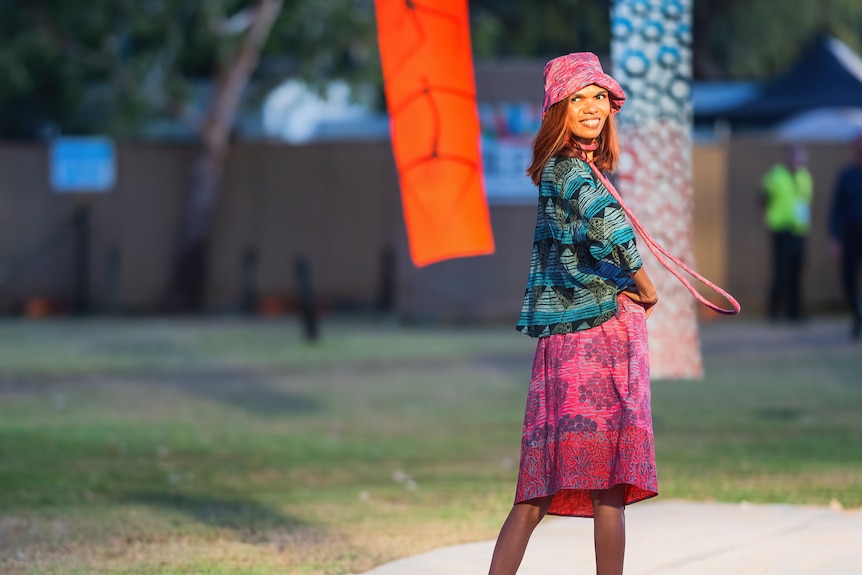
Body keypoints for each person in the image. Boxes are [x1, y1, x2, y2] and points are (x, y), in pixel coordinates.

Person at [488, 52, 659, 575]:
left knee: (570, 484)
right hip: (593, 338)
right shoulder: (566, 167)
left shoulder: (571, 168)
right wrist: (646, 286)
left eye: (599, 97)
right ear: (558, 109)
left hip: (578, 337)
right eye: (578, 98)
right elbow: (613, 226)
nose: (591, 107)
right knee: (575, 484)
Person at [761, 144, 813, 321]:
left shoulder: (805, 177)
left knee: (796, 272)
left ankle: (795, 312)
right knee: (781, 273)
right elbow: (762, 198)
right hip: (781, 230)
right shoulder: (776, 176)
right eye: (794, 157)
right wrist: (768, 218)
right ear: (788, 158)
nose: (797, 161)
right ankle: (774, 312)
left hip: (799, 230)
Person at [829, 135, 862, 340]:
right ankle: (857, 317)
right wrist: (834, 238)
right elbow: (836, 210)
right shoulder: (846, 176)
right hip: (850, 235)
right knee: (848, 281)